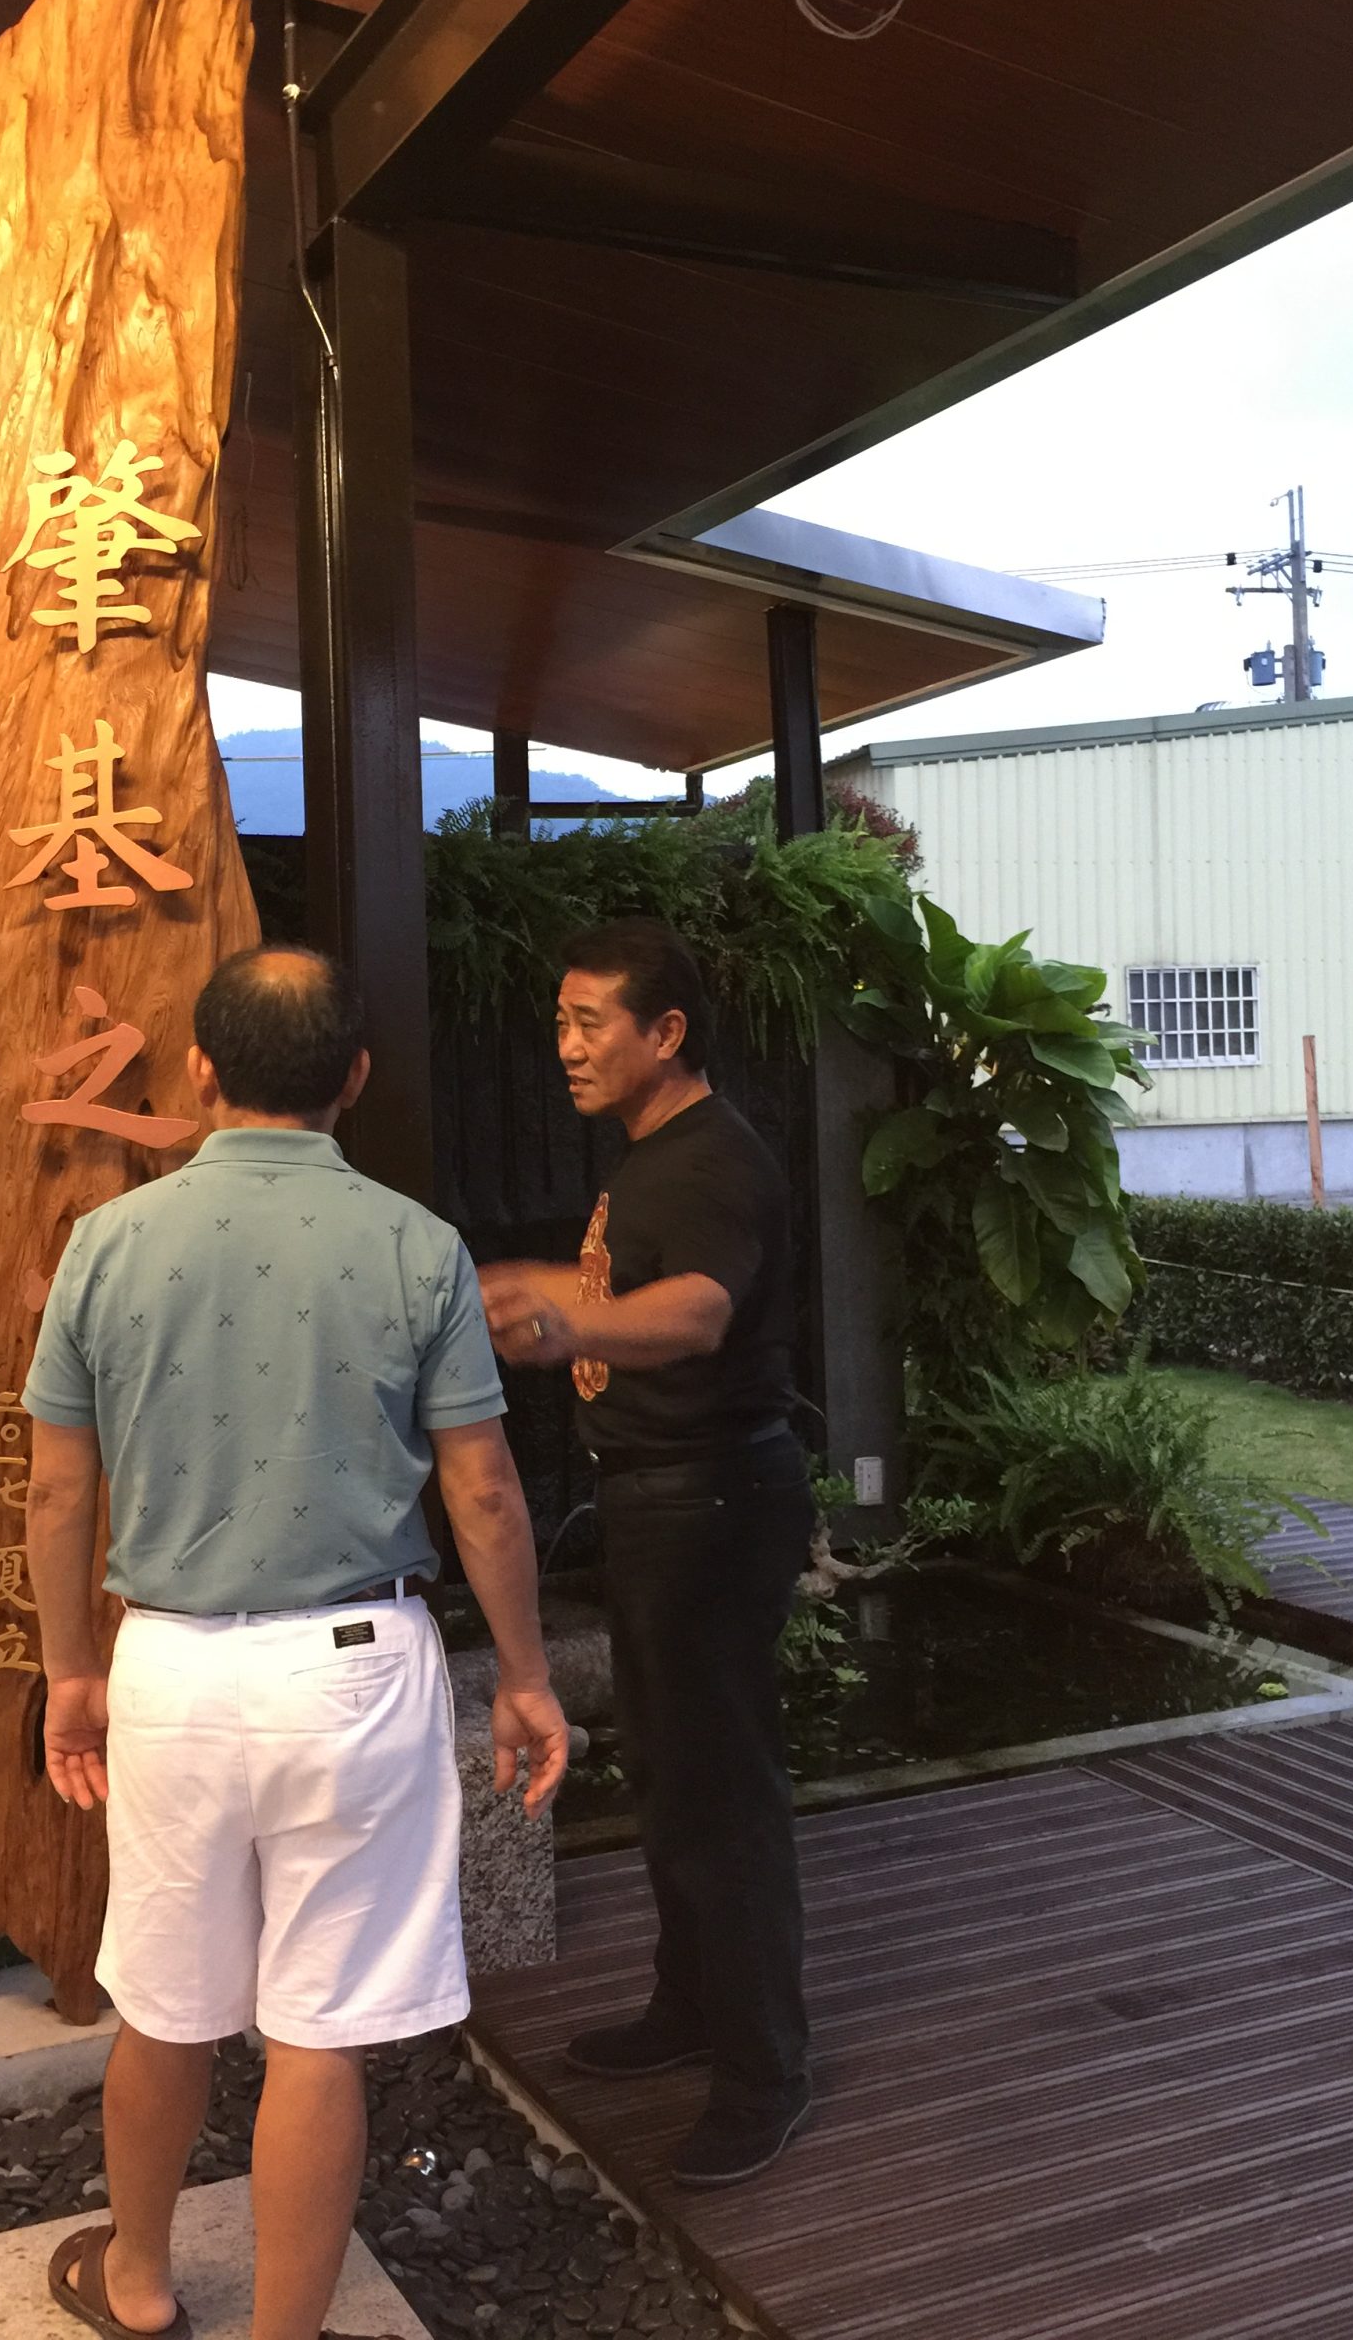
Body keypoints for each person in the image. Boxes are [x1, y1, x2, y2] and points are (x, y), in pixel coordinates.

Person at [24, 945, 568, 2340]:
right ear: (357, 1077)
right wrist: (523, 1674)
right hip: (356, 1669)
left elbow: (58, 1490)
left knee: (164, 2001)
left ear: (202, 1068)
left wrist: (72, 1673)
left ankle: (138, 2281)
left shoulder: (108, 1242)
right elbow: (485, 1490)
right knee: (319, 2031)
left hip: (172, 1664)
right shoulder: (416, 1245)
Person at [480, 918, 813, 2189]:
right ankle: (689, 2005)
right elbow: (628, 1280)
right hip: (664, 1501)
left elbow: (697, 1309)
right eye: (560, 1023)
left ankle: (765, 2072)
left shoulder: (714, 1156)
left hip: (714, 1500)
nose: (566, 1047)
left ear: (665, 1033)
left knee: (722, 1792)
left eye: (589, 1024)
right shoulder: (655, 1156)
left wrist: (573, 1325)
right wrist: (538, 1282)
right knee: (674, 1778)